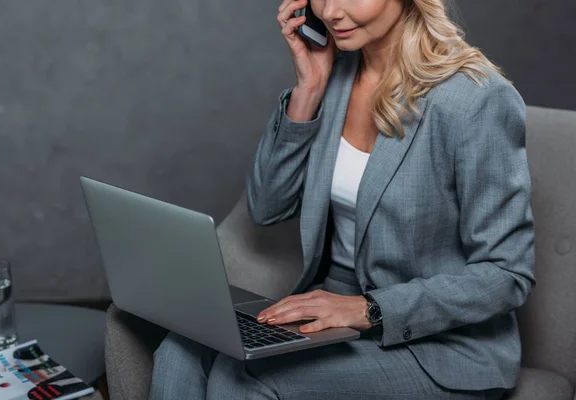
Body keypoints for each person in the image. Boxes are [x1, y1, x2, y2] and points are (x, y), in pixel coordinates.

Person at [150, 0, 535, 398]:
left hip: (439, 345)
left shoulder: (476, 100)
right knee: (180, 350)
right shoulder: (334, 76)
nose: (331, 11)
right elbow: (266, 208)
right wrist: (309, 90)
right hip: (335, 310)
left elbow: (507, 274)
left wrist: (369, 308)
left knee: (240, 382)